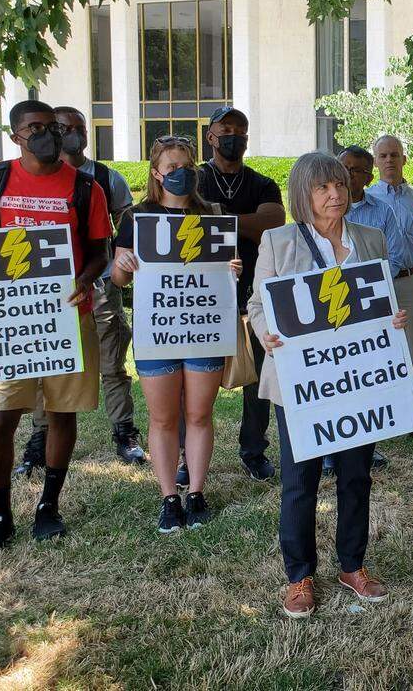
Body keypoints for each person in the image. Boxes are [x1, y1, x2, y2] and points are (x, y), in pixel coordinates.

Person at [247, 152, 407, 618]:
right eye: (322, 187)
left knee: (356, 475)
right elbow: (258, 305)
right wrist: (265, 333)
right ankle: (298, 577)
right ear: (303, 194)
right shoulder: (279, 242)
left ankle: (352, 565)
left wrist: (392, 319)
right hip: (302, 382)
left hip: (358, 379)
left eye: (338, 184)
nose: (334, 193)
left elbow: (382, 302)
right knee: (301, 481)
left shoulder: (371, 238)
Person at [0, 100, 111, 561]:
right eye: (35, 128)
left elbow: (99, 251)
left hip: (67, 317)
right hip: (6, 323)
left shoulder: (86, 188)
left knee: (62, 414)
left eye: (53, 127)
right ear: (15, 136)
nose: (47, 134)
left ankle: (49, 505)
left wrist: (85, 279)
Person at [111, 136, 241, 533]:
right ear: (156, 173)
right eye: (172, 168)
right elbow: (116, 279)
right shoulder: (136, 218)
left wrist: (231, 271)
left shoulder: (213, 214)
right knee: (163, 418)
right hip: (158, 331)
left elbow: (229, 275)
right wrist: (123, 263)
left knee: (200, 414)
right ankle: (169, 497)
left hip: (204, 329)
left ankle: (197, 491)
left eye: (187, 166)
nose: (181, 174)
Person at [13, 106, 144, 479]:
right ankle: (39, 439)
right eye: (64, 128)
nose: (72, 134)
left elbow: (123, 231)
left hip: (99, 288)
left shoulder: (104, 179)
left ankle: (124, 432)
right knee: (44, 367)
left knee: (112, 365)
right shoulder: (22, 181)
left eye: (79, 128)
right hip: (44, 298)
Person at [195, 106, 285, 483]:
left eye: (241, 129)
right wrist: (240, 223)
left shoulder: (262, 183)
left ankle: (253, 449)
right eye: (225, 128)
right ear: (211, 136)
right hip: (198, 296)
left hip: (251, 295)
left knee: (259, 379)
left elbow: (271, 224)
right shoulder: (194, 178)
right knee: (197, 379)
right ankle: (189, 454)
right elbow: (182, 226)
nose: (234, 135)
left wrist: (214, 219)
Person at [325, 144, 409, 473]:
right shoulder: (322, 208)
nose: (349, 176)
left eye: (357, 170)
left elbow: (396, 256)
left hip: (367, 306)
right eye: (344, 169)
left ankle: (366, 447)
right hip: (329, 310)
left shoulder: (383, 212)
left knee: (365, 379)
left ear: (368, 175)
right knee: (333, 379)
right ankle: (331, 449)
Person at [367, 134, 413, 424]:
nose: (388, 160)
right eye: (382, 156)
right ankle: (380, 414)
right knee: (375, 349)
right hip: (374, 285)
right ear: (375, 161)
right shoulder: (367, 200)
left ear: (404, 159)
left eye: (394, 155)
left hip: (411, 284)